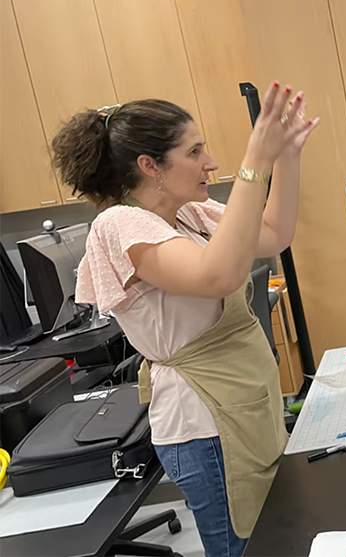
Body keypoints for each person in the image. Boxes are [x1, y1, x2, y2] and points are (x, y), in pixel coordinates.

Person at [52, 83, 317, 557]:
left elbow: (274, 234)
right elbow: (217, 274)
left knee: (278, 541)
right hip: (205, 427)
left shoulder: (188, 214)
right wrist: (254, 158)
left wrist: (286, 157)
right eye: (195, 152)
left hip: (242, 406)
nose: (210, 163)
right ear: (150, 166)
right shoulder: (120, 224)